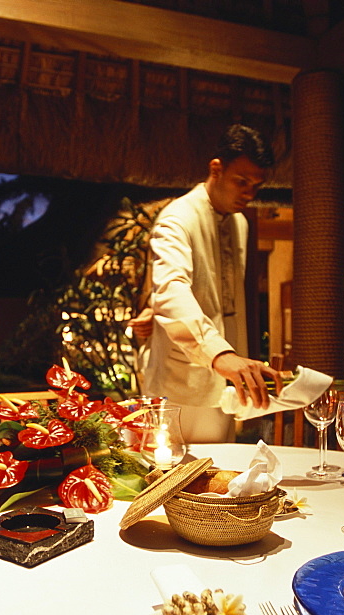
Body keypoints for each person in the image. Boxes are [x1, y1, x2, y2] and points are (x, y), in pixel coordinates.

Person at [131, 124, 280, 443]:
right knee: (173, 479)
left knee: (220, 477)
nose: (249, 194)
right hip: (180, 380)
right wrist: (219, 354)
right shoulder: (177, 218)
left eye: (256, 185)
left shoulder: (240, 223)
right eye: (241, 181)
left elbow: (216, 295)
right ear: (216, 168)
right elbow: (171, 289)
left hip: (224, 377)